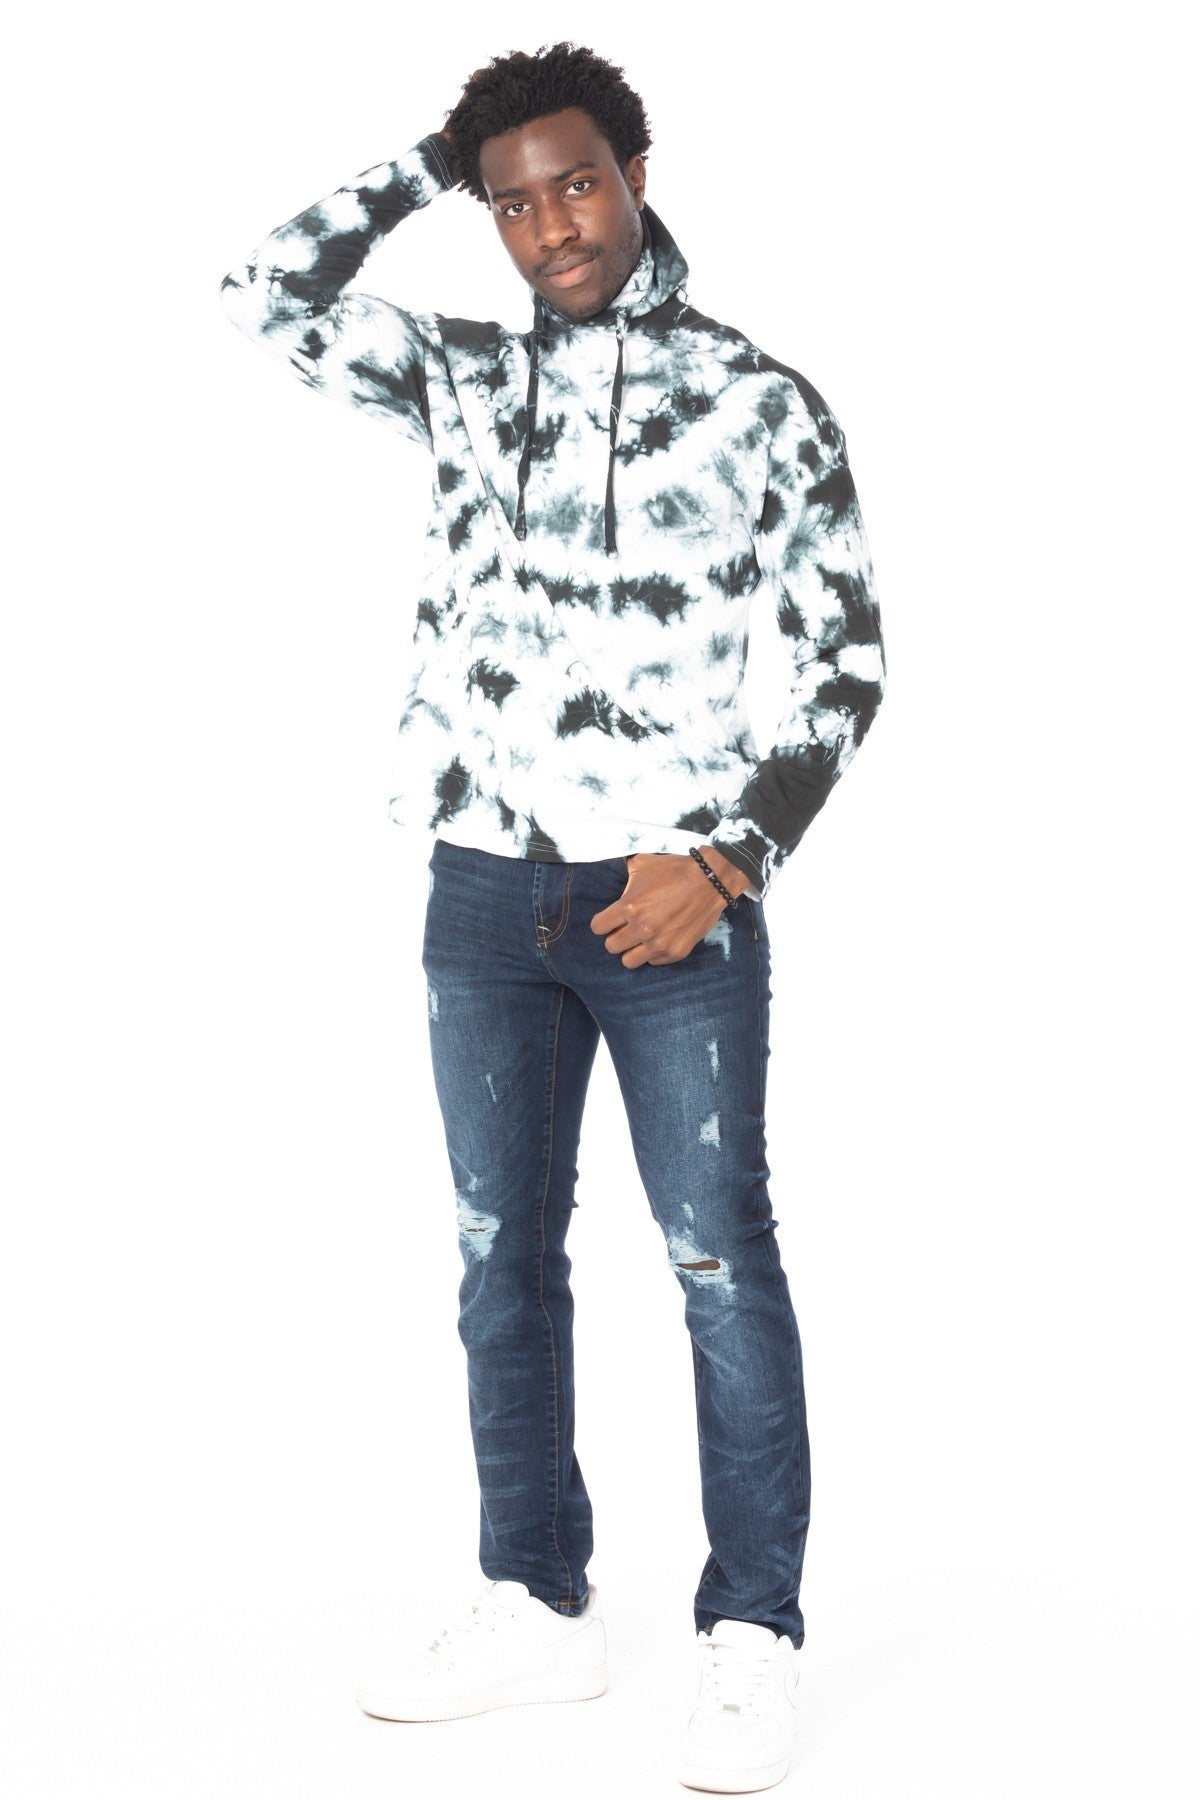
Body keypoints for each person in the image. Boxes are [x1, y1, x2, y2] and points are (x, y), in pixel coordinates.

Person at [218, 40, 885, 1794]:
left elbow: (843, 671)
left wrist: (727, 861)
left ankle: (752, 1633)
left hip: (671, 908)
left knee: (719, 1263)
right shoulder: (458, 381)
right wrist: (428, 163)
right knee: (498, 1259)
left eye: (577, 184)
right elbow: (261, 294)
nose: (552, 228)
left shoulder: (760, 402)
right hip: (480, 888)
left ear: (637, 175)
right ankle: (536, 1599)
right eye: (513, 204)